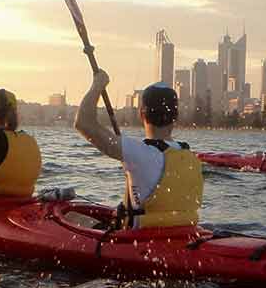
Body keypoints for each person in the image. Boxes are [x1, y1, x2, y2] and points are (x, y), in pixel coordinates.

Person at [74, 70, 203, 229]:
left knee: (73, 216)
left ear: (142, 114)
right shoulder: (190, 156)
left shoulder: (138, 153)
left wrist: (97, 85)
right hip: (183, 236)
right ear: (175, 116)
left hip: (140, 241)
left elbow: (83, 123)